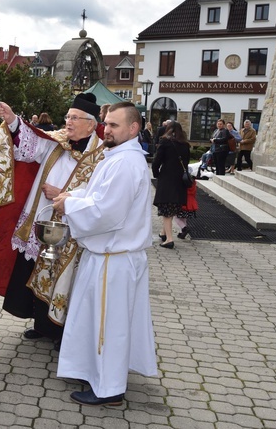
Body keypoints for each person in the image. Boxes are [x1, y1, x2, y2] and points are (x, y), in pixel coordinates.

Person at [52, 101, 157, 406]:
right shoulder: (119, 156)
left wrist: (68, 205)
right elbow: (98, 195)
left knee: (108, 326)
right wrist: (74, 195)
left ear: (133, 128)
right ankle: (96, 373)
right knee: (102, 321)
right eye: (106, 124)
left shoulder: (126, 163)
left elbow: (107, 212)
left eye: (114, 125)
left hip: (114, 259)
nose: (106, 130)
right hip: (109, 257)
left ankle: (109, 389)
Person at [0, 93, 104, 349]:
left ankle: (62, 330)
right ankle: (41, 324)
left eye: (75, 118)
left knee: (63, 276)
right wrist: (12, 119)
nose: (68, 122)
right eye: (68, 116)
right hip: (41, 219)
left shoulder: (102, 155)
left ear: (91, 124)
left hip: (71, 227)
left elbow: (100, 193)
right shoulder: (56, 141)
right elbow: (28, 147)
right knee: (35, 268)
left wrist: (61, 194)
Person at [152, 121, 190, 249]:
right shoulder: (185, 144)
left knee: (166, 209)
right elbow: (187, 161)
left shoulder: (165, 142)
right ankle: (164, 233)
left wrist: (156, 173)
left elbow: (157, 160)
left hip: (167, 178)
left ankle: (169, 239)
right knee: (172, 206)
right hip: (180, 179)